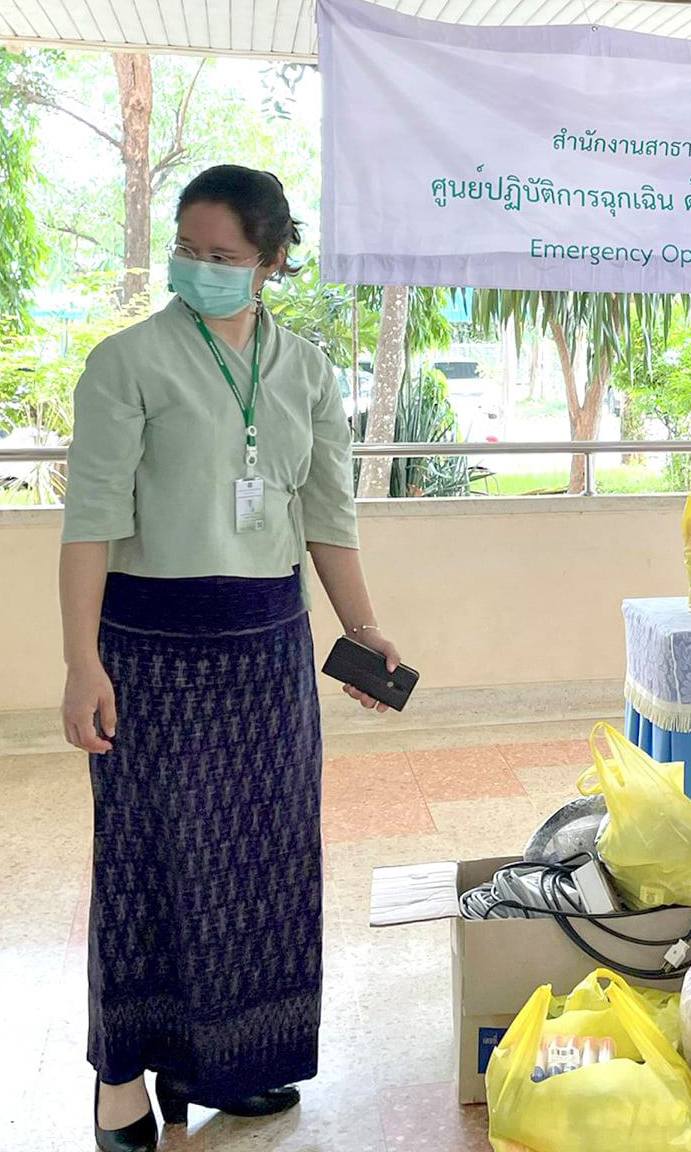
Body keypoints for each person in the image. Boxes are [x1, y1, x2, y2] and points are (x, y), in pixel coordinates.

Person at [61, 165, 402, 1152]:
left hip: (266, 651)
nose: (198, 271)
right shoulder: (126, 364)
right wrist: (83, 663)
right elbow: (89, 527)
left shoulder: (306, 369)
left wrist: (364, 625)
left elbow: (327, 514)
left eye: (224, 258)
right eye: (188, 250)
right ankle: (123, 1078)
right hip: (149, 649)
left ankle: (230, 1062)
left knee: (259, 864)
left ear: (273, 261)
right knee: (145, 864)